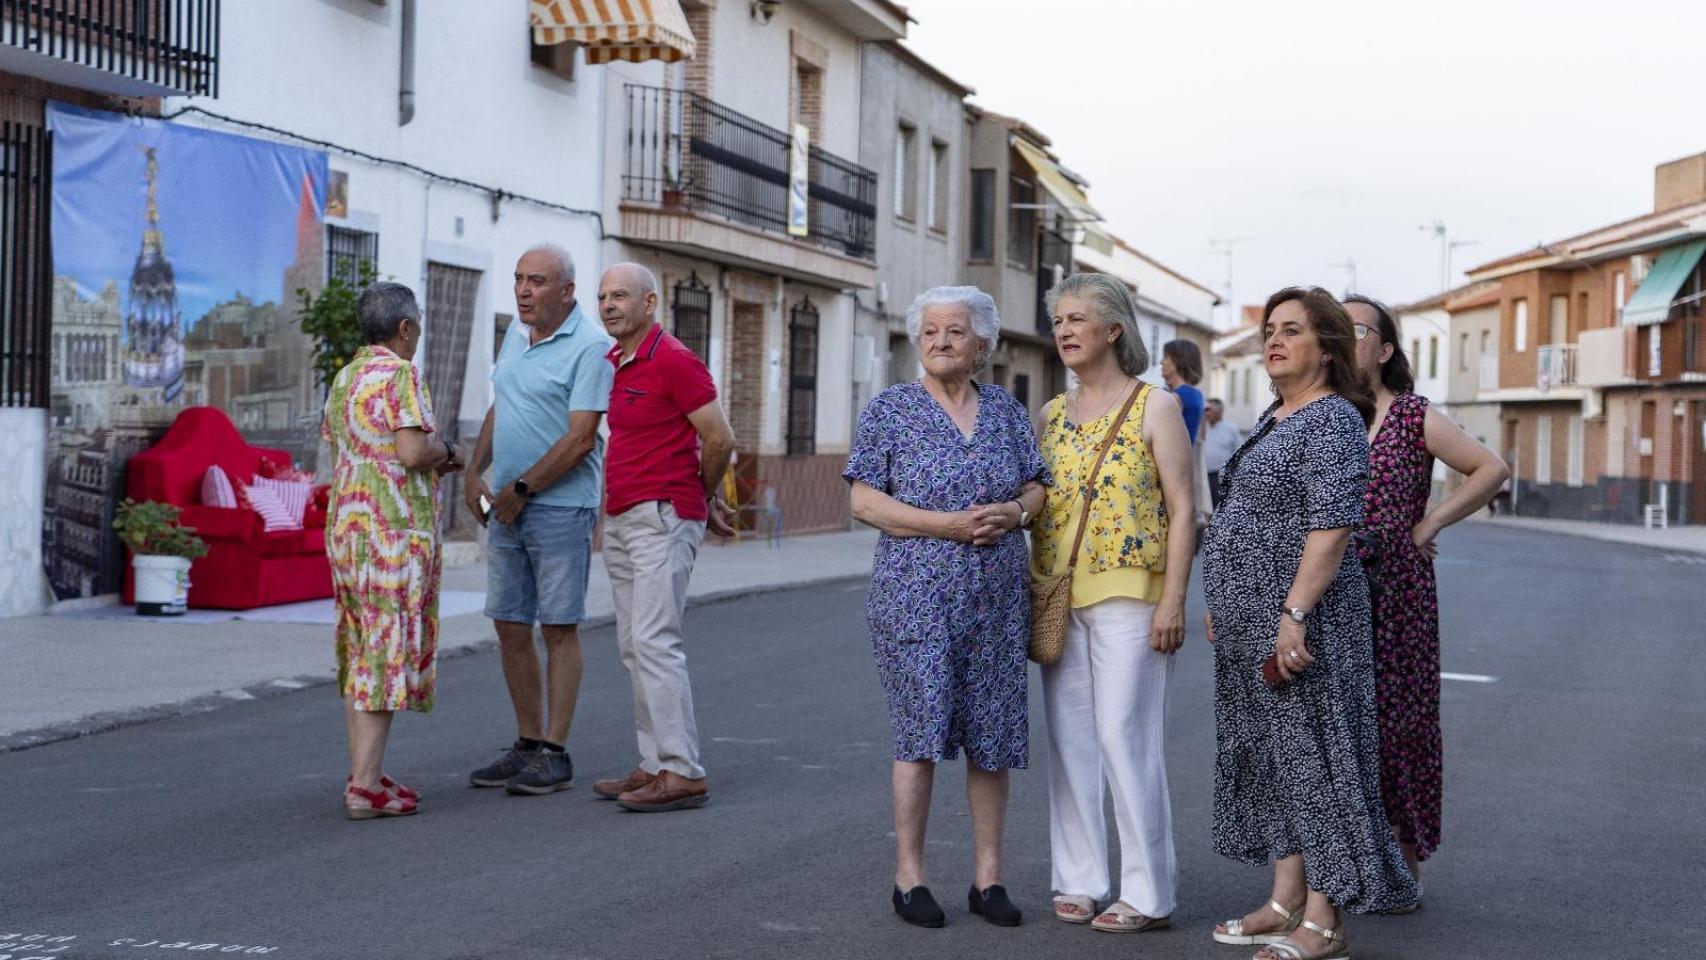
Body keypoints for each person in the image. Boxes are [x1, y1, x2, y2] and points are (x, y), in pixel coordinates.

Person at [1202, 286, 1416, 960]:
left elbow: (1331, 526)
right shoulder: (1276, 415)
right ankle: (1283, 897)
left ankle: (1324, 920)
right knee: (1269, 763)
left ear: (1327, 347)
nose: (1273, 340)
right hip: (1247, 624)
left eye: (1291, 330)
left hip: (1306, 626)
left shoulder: (1332, 421)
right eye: (1269, 329)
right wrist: (1224, 601)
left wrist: (1293, 615)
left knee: (1315, 763)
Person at [845, 286, 1046, 930]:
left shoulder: (1009, 413)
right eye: (929, 331)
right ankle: (910, 877)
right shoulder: (890, 410)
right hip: (915, 596)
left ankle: (988, 879)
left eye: (954, 332)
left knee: (992, 736)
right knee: (920, 732)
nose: (938, 342)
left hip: (996, 599)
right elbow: (864, 503)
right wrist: (946, 525)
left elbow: (1038, 486)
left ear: (981, 344)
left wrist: (1015, 512)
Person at [1032, 273, 1195, 934]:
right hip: (1057, 592)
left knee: (1123, 738)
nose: (1065, 330)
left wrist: (1174, 601)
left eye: (1077, 319)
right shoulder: (1049, 413)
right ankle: (1079, 878)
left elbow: (1185, 509)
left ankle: (1148, 892)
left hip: (1133, 593)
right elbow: (1040, 500)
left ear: (1113, 331)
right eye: (1060, 320)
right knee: (1071, 742)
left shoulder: (1154, 406)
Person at [1344, 295, 1508, 900]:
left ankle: (1399, 865)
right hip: (1327, 587)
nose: (1342, 336)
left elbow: (1490, 469)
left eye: (1356, 329)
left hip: (1397, 592)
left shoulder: (1412, 415)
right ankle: (1333, 870)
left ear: (1385, 350)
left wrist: (1430, 523)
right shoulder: (1312, 414)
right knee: (1332, 725)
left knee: (1399, 723)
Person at [462, 244, 614, 796]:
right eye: (520, 280)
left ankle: (555, 751)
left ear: (567, 291)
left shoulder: (592, 348)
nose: (524, 291)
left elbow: (580, 438)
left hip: (557, 508)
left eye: (537, 282)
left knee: (558, 626)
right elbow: (503, 401)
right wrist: (474, 470)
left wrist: (523, 488)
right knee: (508, 622)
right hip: (506, 502)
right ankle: (526, 743)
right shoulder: (515, 335)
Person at [590, 263, 738, 813]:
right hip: (626, 518)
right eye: (603, 296)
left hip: (663, 516)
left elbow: (719, 437)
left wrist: (699, 497)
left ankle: (683, 772)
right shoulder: (618, 361)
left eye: (621, 296)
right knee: (634, 645)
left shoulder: (674, 360)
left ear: (650, 303)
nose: (608, 305)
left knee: (655, 641)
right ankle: (654, 763)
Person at [322, 282, 463, 820]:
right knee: (384, 651)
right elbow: (410, 450)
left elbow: (343, 445)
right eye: (419, 325)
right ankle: (363, 786)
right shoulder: (401, 374)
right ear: (404, 328)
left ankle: (369, 773)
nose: (420, 334)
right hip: (392, 531)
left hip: (348, 527)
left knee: (362, 649)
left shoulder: (345, 377)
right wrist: (448, 450)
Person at [1201, 398, 1242, 510]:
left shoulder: (1231, 428)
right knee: (1206, 508)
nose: (1206, 412)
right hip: (1204, 476)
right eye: (1206, 409)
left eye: (1209, 409)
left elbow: (1239, 452)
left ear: (1220, 411)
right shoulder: (1202, 427)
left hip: (1223, 477)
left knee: (1222, 507)